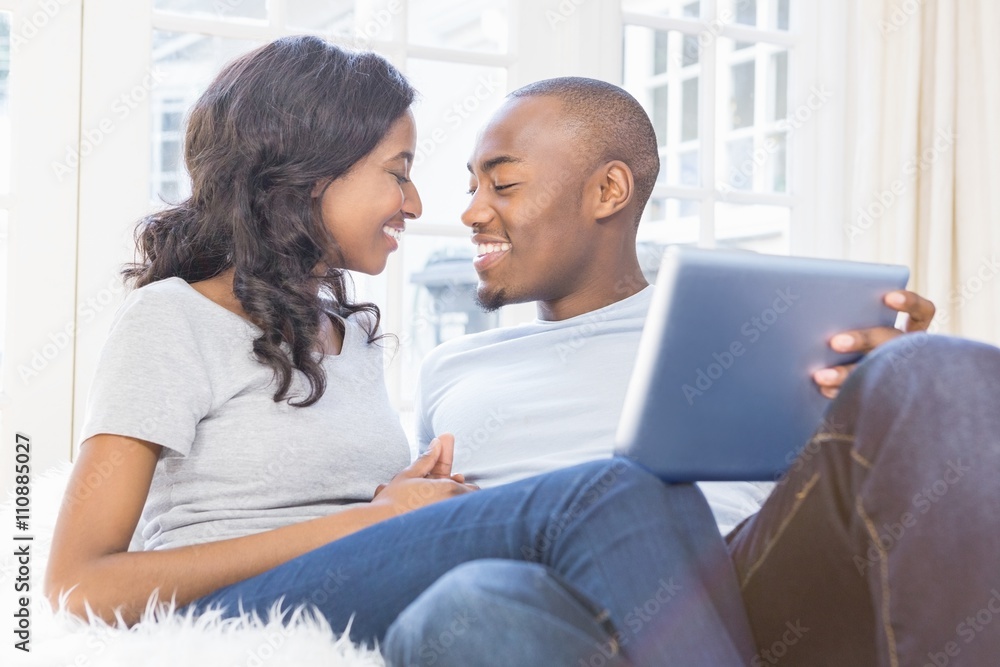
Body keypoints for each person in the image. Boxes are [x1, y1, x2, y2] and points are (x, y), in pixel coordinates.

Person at [44, 38, 762, 666]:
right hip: (227, 612)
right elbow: (78, 583)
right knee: (612, 489)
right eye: (398, 171)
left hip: (351, 592)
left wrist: (397, 500)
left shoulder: (347, 338)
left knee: (494, 599)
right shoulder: (172, 317)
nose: (416, 203)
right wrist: (378, 518)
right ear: (310, 173)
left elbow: (346, 517)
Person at [386, 78, 1000, 666]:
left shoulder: (755, 323)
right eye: (471, 188)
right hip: (558, 607)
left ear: (608, 191)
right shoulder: (451, 369)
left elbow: (824, 490)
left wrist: (888, 396)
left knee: (930, 367)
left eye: (504, 185)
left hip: (750, 587)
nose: (471, 213)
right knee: (463, 606)